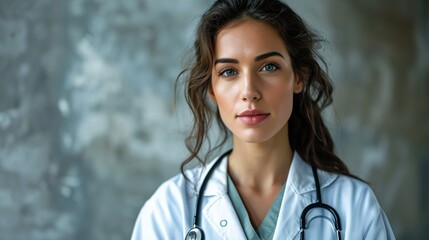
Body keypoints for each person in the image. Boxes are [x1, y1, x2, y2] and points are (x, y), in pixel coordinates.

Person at [131, 0, 396, 239]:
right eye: (229, 71)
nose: (249, 91)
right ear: (211, 89)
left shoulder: (355, 206)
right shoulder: (168, 209)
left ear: (298, 77)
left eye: (269, 67)